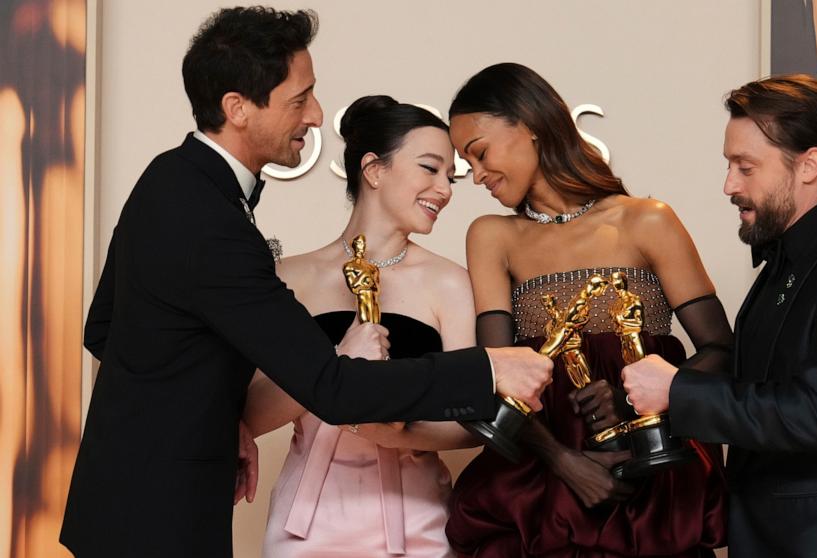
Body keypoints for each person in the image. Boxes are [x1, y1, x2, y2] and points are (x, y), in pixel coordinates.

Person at [59, 10, 551, 558]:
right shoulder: (213, 220)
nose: (316, 115)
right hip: (159, 519)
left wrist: (223, 423)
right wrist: (489, 368)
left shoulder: (169, 178)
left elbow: (103, 330)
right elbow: (334, 388)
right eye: (300, 99)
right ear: (237, 109)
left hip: (125, 507)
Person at [445, 62, 731, 558]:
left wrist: (639, 402)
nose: (477, 175)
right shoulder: (492, 236)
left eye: (479, 153)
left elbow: (721, 350)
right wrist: (563, 461)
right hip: (540, 486)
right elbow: (497, 377)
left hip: (650, 479)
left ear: (530, 124)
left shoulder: (647, 220)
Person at [620, 74, 817, 557]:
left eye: (746, 167)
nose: (729, 184)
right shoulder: (781, 264)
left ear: (809, 165)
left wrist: (676, 390)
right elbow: (752, 391)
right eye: (729, 164)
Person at [243, 95, 478, 557]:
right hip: (305, 524)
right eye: (430, 169)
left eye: (450, 177)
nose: (445, 189)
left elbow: (471, 421)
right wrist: (337, 369)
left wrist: (394, 433)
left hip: (417, 518)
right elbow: (248, 415)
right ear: (374, 169)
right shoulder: (288, 277)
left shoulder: (450, 282)